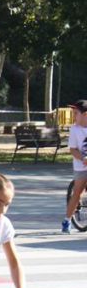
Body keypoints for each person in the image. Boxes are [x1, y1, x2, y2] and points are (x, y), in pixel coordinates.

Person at [62, 100, 87, 234]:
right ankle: (67, 220)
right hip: (81, 165)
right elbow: (73, 149)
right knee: (77, 192)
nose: (73, 116)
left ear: (85, 115)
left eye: (76, 113)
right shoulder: (75, 129)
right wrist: (83, 158)